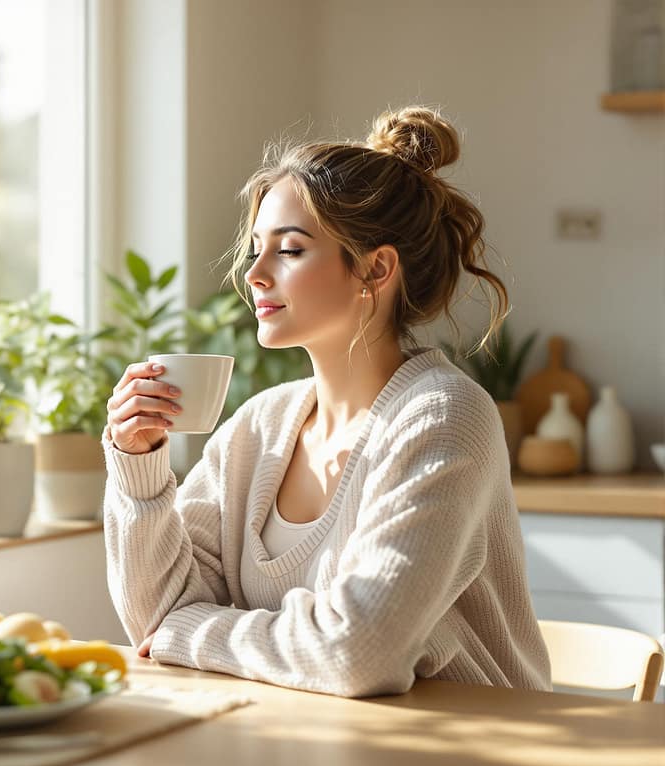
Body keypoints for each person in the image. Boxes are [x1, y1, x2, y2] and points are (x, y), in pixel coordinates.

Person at [101, 106, 552, 698]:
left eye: (289, 251)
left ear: (375, 269)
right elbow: (154, 616)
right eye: (257, 249)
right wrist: (138, 466)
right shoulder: (259, 427)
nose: (255, 274)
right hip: (319, 733)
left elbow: (359, 653)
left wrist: (187, 632)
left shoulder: (444, 417)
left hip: (480, 741)